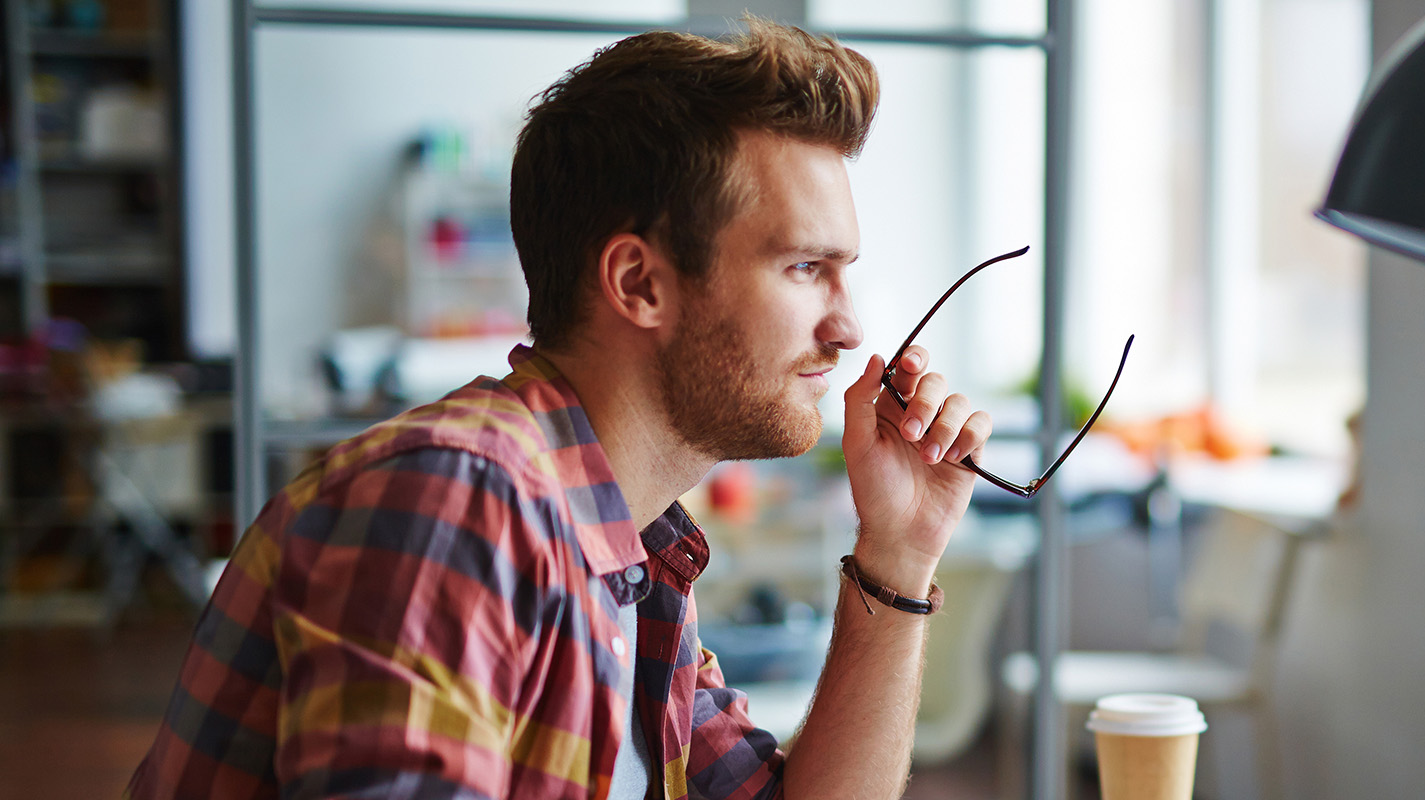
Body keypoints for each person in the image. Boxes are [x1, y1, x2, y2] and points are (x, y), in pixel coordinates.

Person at [130, 19, 992, 800]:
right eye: (806, 268)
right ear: (638, 283)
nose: (848, 329)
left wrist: (899, 552)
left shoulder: (637, 552)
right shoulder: (454, 504)